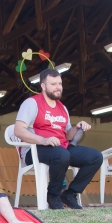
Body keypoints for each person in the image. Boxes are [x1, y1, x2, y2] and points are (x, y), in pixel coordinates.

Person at [14, 68, 103, 210]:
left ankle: (70, 194)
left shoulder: (63, 108)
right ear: (43, 86)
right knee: (62, 154)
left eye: (60, 84)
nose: (58, 87)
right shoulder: (32, 103)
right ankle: (53, 195)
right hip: (35, 150)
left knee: (96, 157)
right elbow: (18, 130)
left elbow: (67, 135)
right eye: (53, 84)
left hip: (61, 148)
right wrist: (44, 140)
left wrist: (77, 128)